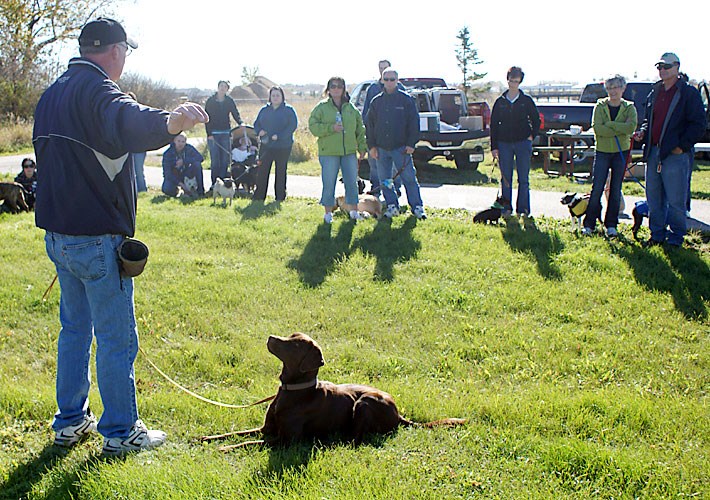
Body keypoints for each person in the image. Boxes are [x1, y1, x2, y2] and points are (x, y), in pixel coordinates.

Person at [32, 17, 209, 456]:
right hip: (94, 238)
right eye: (125, 51)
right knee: (115, 337)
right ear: (114, 51)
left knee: (73, 330)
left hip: (59, 235)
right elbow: (127, 118)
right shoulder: (99, 90)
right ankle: (120, 430)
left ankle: (70, 421)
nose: (125, 59)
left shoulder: (53, 93)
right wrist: (171, 121)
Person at [634, 53, 706, 247]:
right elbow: (649, 120)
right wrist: (642, 132)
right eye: (659, 67)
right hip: (654, 152)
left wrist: (682, 146)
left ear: (677, 67)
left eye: (666, 66)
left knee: (676, 200)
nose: (662, 70)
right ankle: (656, 235)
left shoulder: (688, 93)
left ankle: (676, 238)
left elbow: (699, 123)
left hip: (675, 155)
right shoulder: (655, 91)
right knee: (654, 197)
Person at [366, 68, 427, 219]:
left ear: (397, 80)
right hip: (381, 149)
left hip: (401, 148)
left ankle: (417, 207)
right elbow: (370, 126)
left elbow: (414, 123)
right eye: (385, 79)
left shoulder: (406, 100)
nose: (389, 82)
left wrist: (411, 144)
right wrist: (372, 147)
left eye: (392, 79)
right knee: (385, 180)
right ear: (382, 80)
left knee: (409, 178)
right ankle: (392, 205)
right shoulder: (376, 102)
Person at [582, 75, 637, 237]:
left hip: (621, 153)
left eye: (616, 87)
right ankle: (589, 224)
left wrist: (611, 125)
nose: (613, 91)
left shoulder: (629, 107)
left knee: (615, 189)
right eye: (610, 88)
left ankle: (611, 224)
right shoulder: (600, 106)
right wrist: (620, 127)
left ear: (623, 89)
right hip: (602, 152)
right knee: (597, 187)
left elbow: (631, 128)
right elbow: (598, 129)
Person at [309, 76, 367, 223]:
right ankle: (328, 213)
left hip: (348, 152)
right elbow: (313, 127)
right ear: (328, 89)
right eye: (333, 86)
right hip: (328, 152)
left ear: (343, 89)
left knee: (351, 182)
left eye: (339, 86)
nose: (336, 89)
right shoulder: (321, 108)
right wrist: (331, 128)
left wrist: (362, 147)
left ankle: (354, 211)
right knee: (329, 183)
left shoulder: (351, 108)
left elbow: (360, 129)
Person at [490, 66, 540, 216]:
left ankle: (523, 209)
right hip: (504, 144)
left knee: (523, 178)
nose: (513, 84)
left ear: (520, 82)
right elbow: (493, 125)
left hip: (523, 143)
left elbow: (536, 119)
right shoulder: (500, 102)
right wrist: (494, 147)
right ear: (508, 80)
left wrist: (532, 135)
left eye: (516, 81)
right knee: (506, 178)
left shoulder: (526, 100)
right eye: (511, 80)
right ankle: (506, 208)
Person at [362, 59, 405, 196]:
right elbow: (366, 113)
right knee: (375, 164)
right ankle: (376, 190)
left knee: (394, 166)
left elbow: (408, 115)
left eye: (385, 68)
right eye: (381, 68)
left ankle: (395, 190)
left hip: (396, 137)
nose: (383, 71)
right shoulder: (373, 89)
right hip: (377, 136)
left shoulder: (401, 89)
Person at [253, 86, 298, 201]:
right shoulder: (264, 110)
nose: (275, 98)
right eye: (273, 95)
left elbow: (292, 126)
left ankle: (280, 197)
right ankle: (259, 197)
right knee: (262, 171)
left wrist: (280, 136)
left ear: (282, 97)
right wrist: (260, 131)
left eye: (278, 95)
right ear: (270, 97)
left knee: (281, 171)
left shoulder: (288, 110)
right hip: (266, 145)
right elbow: (256, 124)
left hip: (283, 146)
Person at [205, 80, 242, 186]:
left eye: (225, 87)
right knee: (215, 160)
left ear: (227, 89)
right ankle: (214, 184)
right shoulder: (211, 101)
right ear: (218, 87)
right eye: (221, 86)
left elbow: (235, 113)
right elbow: (206, 118)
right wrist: (209, 134)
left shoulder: (229, 101)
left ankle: (224, 183)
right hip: (213, 134)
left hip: (226, 133)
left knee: (225, 159)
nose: (222, 88)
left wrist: (240, 123)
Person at [162, 133, 205, 198]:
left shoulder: (189, 148)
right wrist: (182, 185)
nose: (180, 144)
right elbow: (167, 173)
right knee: (167, 189)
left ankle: (200, 191)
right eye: (178, 141)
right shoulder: (167, 153)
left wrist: (184, 161)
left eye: (183, 142)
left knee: (197, 164)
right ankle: (176, 191)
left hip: (186, 173)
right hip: (174, 175)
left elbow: (200, 158)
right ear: (174, 141)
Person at [126, 92, 147, 192]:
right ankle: (132, 191)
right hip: (127, 147)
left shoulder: (140, 115)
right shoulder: (122, 116)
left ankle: (142, 191)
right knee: (129, 172)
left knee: (138, 171)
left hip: (139, 148)